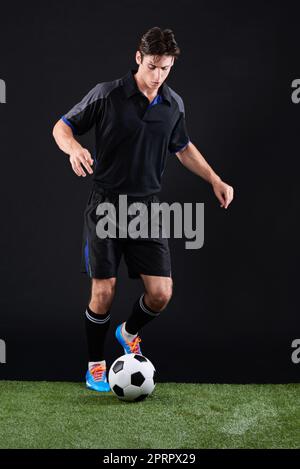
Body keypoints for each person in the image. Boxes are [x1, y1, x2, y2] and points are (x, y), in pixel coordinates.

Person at [52, 26, 234, 392]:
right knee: (104, 292)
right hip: (105, 204)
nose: (158, 76)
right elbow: (62, 126)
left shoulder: (173, 104)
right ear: (138, 58)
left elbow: (182, 147)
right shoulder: (108, 95)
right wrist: (73, 148)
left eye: (166, 68)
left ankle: (129, 331)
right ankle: (95, 365)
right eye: (152, 66)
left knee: (161, 293)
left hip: (147, 209)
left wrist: (214, 178)